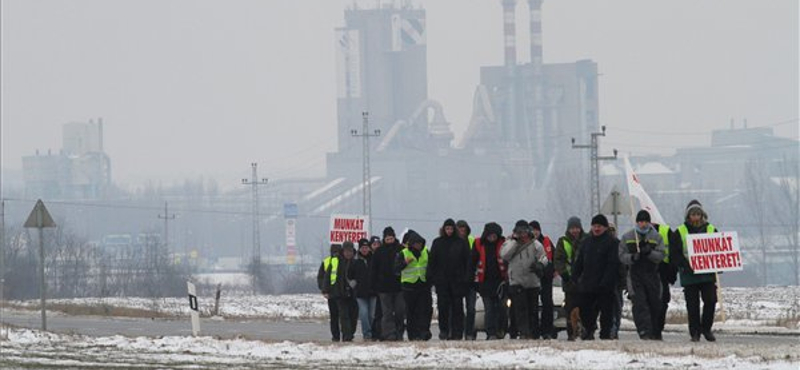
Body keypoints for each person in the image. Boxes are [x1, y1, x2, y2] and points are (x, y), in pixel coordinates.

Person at [672, 200, 719, 342]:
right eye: (693, 214)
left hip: (707, 274)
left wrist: (719, 265)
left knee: (710, 301)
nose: (696, 217)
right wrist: (686, 266)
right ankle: (695, 332)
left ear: (702, 214)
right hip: (689, 275)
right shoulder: (680, 231)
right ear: (688, 216)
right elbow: (675, 254)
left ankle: (706, 328)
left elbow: (720, 249)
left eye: (698, 214)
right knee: (692, 305)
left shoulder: (711, 229)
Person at [619, 210, 666, 340]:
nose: (643, 224)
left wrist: (649, 253)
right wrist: (633, 257)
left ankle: (655, 331)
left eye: (645, 221)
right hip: (635, 276)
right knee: (640, 304)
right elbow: (622, 255)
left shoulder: (656, 237)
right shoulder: (628, 237)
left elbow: (662, 254)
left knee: (654, 303)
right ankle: (644, 330)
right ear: (637, 222)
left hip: (652, 276)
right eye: (640, 221)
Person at [572, 214, 619, 340]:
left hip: (605, 286)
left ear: (605, 228)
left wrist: (606, 282)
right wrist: (575, 276)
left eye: (599, 226)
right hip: (588, 284)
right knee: (585, 310)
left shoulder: (612, 242)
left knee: (606, 313)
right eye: (594, 226)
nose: (596, 229)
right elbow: (580, 261)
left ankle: (605, 335)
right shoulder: (586, 242)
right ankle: (589, 330)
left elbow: (612, 264)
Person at [501, 220, 549, 340]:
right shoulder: (509, 243)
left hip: (532, 282)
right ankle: (524, 333)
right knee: (520, 309)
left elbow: (544, 257)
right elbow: (504, 255)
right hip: (516, 281)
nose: (522, 235)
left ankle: (534, 333)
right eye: (519, 232)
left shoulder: (535, 244)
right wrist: (515, 242)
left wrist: (540, 265)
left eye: (524, 232)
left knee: (533, 310)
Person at [427, 218, 472, 340]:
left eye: (451, 228)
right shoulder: (437, 242)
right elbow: (432, 262)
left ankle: (457, 332)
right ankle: (444, 331)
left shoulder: (461, 243)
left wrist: (466, 278)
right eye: (447, 228)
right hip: (442, 282)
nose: (449, 231)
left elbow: (467, 261)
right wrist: (433, 278)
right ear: (443, 229)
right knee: (443, 308)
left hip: (457, 282)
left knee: (457, 308)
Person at [472, 222, 507, 340]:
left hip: (500, 283)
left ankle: (500, 330)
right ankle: (490, 332)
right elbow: (472, 263)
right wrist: (474, 282)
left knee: (501, 308)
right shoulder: (478, 244)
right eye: (490, 235)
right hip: (484, 283)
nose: (492, 238)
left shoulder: (504, 244)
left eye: (495, 235)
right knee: (489, 309)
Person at [395, 230, 433, 341]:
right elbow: (396, 269)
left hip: (423, 285)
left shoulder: (426, 251)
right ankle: (412, 335)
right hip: (409, 287)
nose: (418, 245)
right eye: (416, 243)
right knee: (411, 313)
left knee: (424, 311)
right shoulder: (404, 253)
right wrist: (405, 263)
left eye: (420, 243)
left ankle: (423, 333)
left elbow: (431, 266)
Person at [553, 216, 586, 341]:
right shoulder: (563, 241)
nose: (575, 231)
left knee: (585, 308)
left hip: (584, 280)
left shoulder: (587, 240)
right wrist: (565, 275)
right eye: (572, 228)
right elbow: (558, 260)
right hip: (569, 280)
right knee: (570, 308)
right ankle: (571, 333)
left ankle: (585, 331)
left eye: (577, 228)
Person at [370, 227, 406, 341]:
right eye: (387, 238)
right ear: (384, 238)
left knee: (400, 311)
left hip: (399, 287)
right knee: (387, 313)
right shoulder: (379, 252)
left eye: (391, 238)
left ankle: (399, 332)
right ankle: (389, 334)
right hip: (383, 288)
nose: (389, 240)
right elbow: (373, 270)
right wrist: (374, 285)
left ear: (394, 237)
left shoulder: (401, 250)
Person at [324, 241, 359, 342]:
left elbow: (361, 277)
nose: (348, 253)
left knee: (353, 316)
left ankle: (350, 333)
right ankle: (347, 337)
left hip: (353, 295)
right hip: (339, 293)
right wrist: (325, 290)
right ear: (343, 251)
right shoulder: (335, 262)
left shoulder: (356, 262)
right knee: (344, 316)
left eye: (350, 251)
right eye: (346, 251)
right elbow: (327, 275)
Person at [530, 220, 556, 339]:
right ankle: (534, 330)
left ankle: (547, 330)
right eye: (532, 230)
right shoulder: (527, 243)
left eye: (536, 229)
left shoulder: (547, 241)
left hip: (546, 278)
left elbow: (554, 257)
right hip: (532, 278)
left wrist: (554, 271)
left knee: (547, 305)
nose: (534, 232)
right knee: (532, 305)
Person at [653, 221, 677, 341]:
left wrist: (672, 273)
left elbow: (673, 252)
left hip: (663, 271)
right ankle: (649, 329)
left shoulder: (666, 231)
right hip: (645, 272)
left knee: (663, 301)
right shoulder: (636, 233)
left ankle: (658, 329)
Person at [352, 238, 378, 341]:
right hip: (360, 294)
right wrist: (354, 287)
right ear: (359, 249)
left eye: (366, 247)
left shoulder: (374, 259)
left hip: (373, 292)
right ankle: (367, 334)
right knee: (363, 314)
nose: (364, 249)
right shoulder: (356, 261)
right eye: (362, 247)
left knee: (371, 315)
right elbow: (350, 276)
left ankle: (372, 333)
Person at [456, 219, 478, 340]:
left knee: (471, 309)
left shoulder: (472, 240)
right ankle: (458, 331)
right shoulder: (453, 242)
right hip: (458, 281)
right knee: (457, 309)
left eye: (463, 229)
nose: (462, 231)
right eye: (459, 229)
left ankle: (470, 332)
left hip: (470, 280)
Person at [317, 243, 342, 342]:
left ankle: (343, 335)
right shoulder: (326, 262)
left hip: (341, 293)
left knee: (342, 316)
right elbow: (321, 278)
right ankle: (335, 336)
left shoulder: (343, 261)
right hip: (331, 294)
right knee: (334, 317)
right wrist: (324, 290)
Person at [369, 235, 383, 338]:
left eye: (378, 244)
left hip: (381, 288)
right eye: (374, 244)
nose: (376, 246)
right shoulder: (369, 257)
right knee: (372, 314)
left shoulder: (383, 255)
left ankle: (378, 333)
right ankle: (373, 333)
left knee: (380, 312)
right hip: (371, 289)